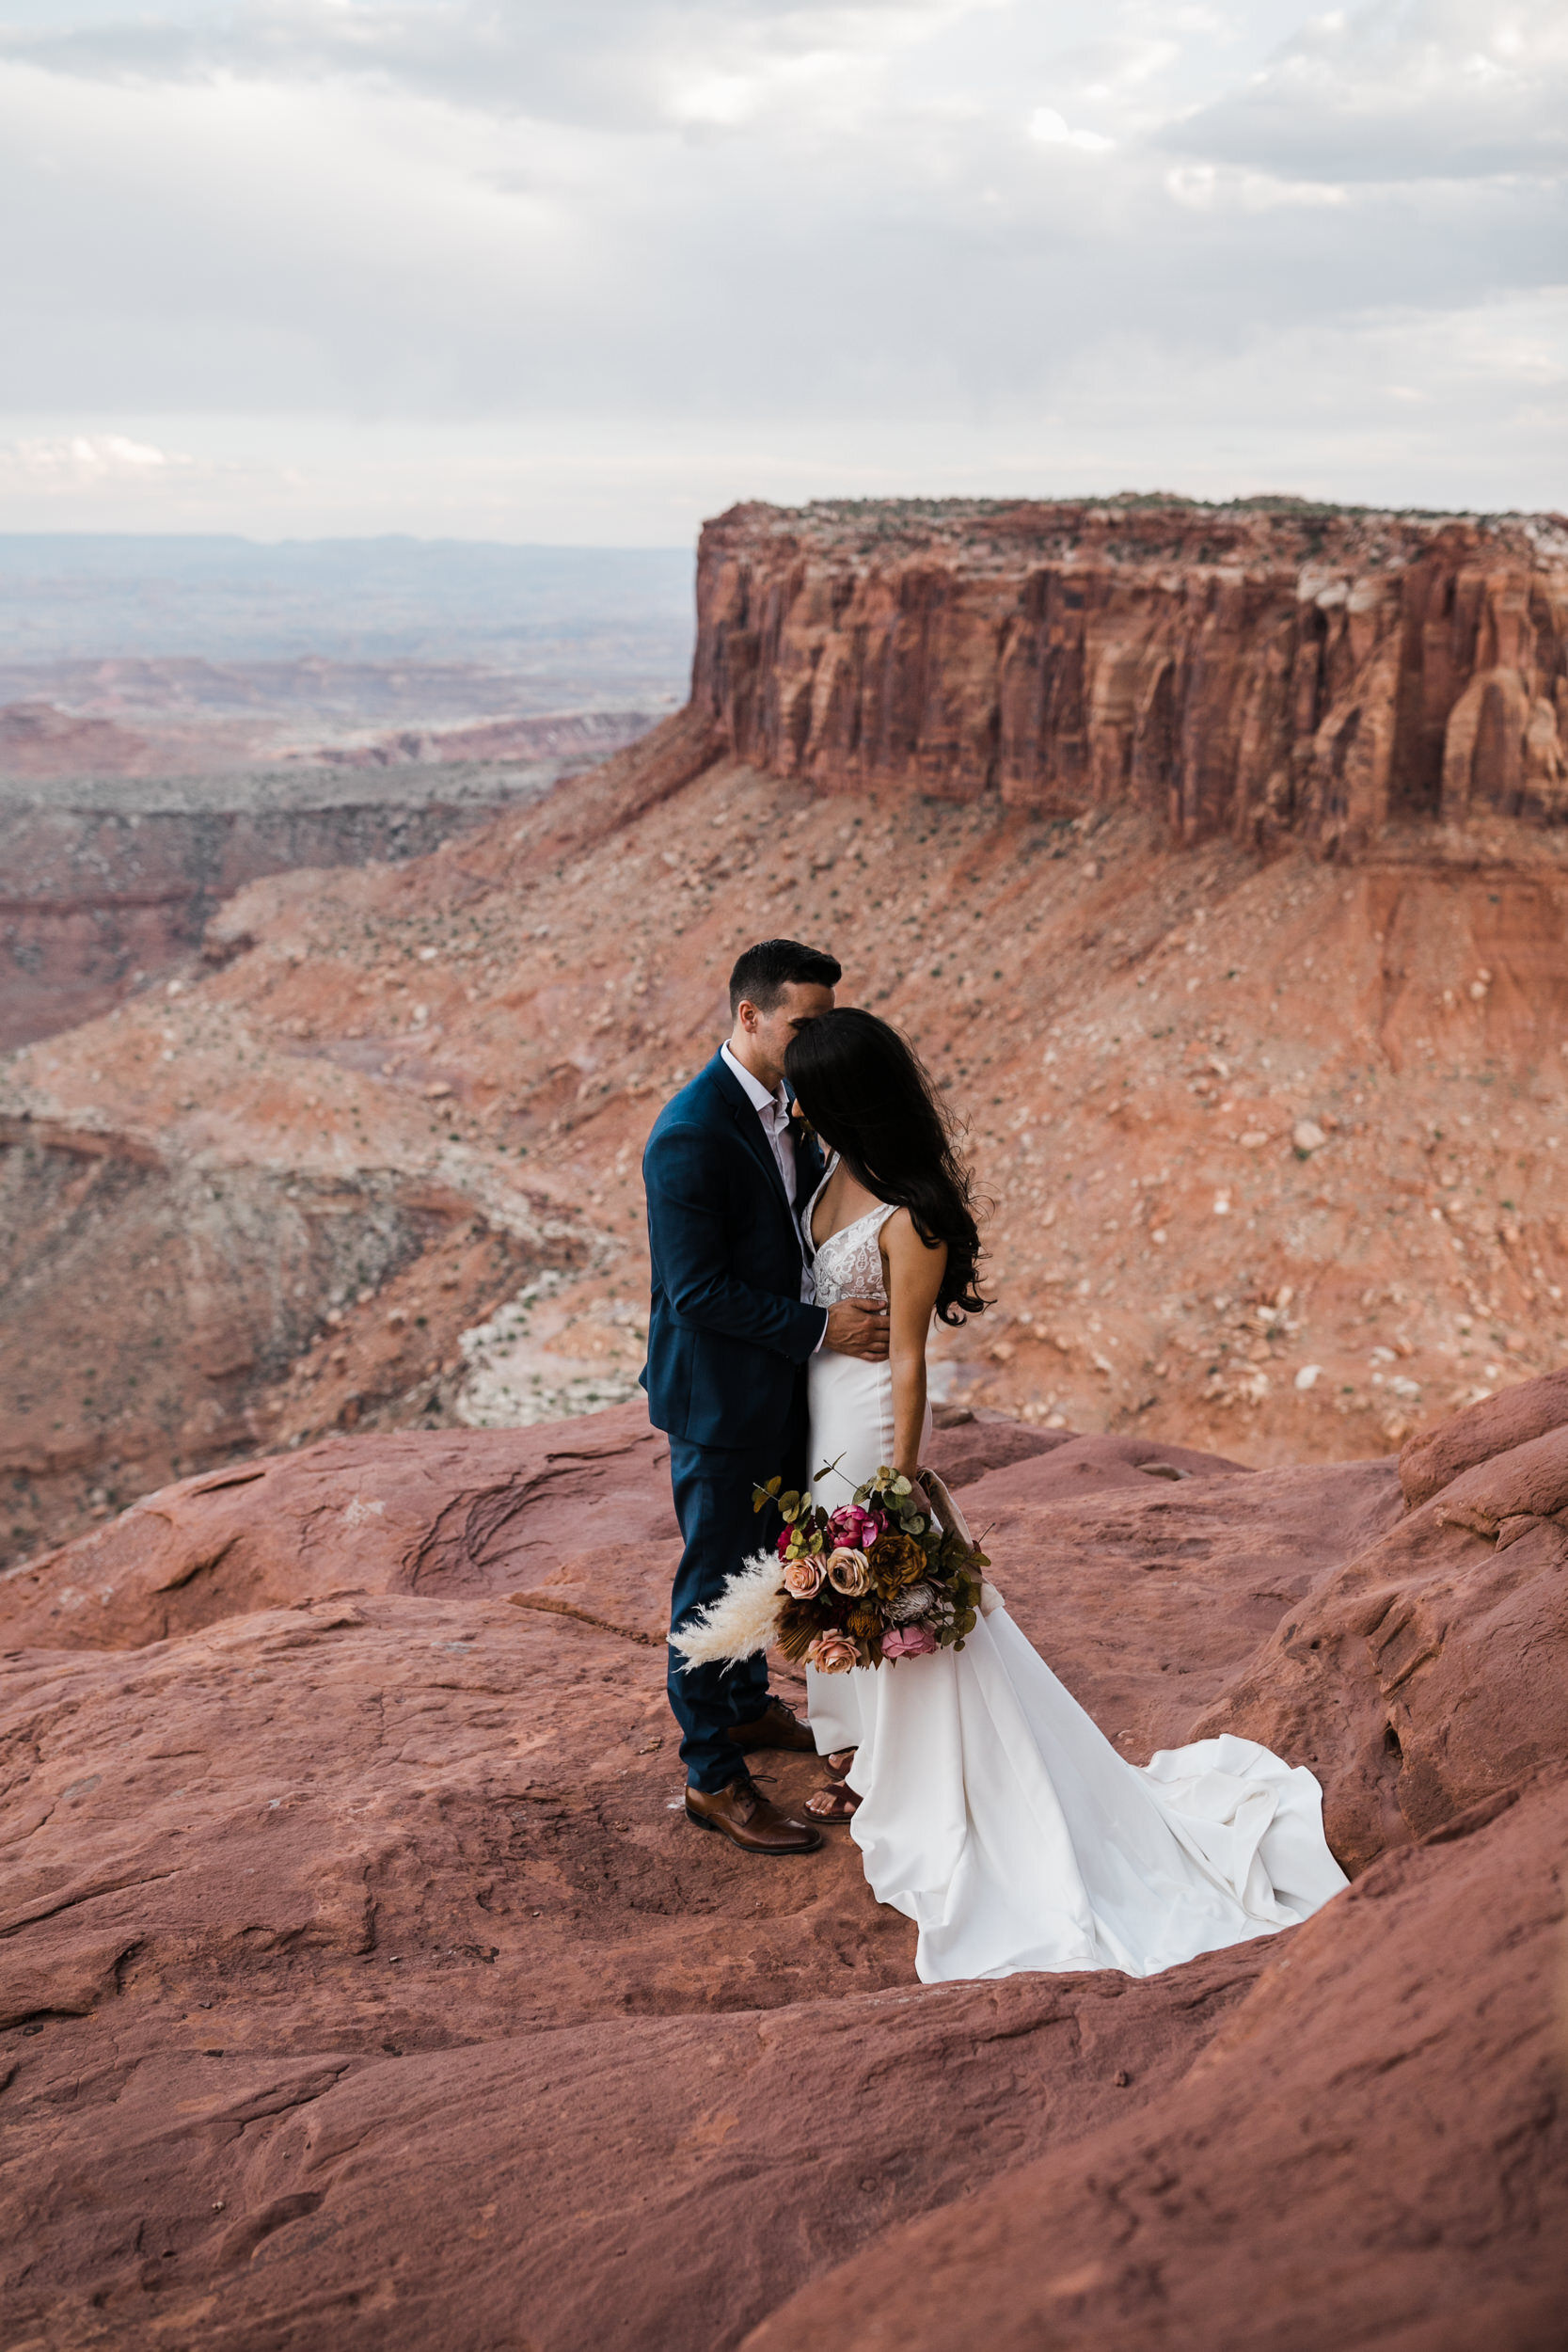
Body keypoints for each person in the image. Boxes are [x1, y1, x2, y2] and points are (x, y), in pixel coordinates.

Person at [783, 1007, 1350, 1982]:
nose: (792, 1103)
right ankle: (875, 1757)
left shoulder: (909, 1219)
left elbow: (911, 1360)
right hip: (820, 1414)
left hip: (871, 1425)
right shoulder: (825, 1167)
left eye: (807, 1087)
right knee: (843, 1599)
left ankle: (935, 1786)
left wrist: (898, 1479)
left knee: (904, 1603)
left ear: (842, 1097)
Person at [641, 941, 891, 1857]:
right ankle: (712, 1774)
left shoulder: (791, 1110)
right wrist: (824, 1331)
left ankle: (745, 1710)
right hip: (719, 1402)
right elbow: (694, 1292)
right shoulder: (689, 1134)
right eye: (804, 1022)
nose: (816, 1037)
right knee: (712, 1583)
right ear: (749, 1017)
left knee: (766, 1559)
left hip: (779, 1389)